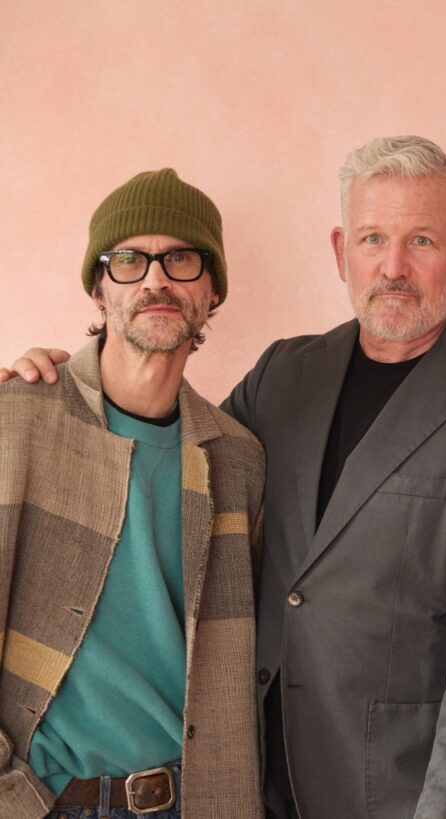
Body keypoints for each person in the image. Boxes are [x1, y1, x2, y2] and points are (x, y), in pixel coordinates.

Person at [0, 137, 446, 819]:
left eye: (421, 240)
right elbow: (166, 436)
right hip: (250, 784)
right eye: (371, 238)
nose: (393, 266)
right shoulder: (284, 378)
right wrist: (51, 381)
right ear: (340, 252)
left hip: (384, 794)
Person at [0, 169, 265, 818]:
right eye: (128, 260)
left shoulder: (237, 458)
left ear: (212, 290)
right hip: (51, 801)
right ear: (99, 286)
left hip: (197, 800)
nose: (155, 279)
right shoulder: (19, 419)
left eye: (180, 258)